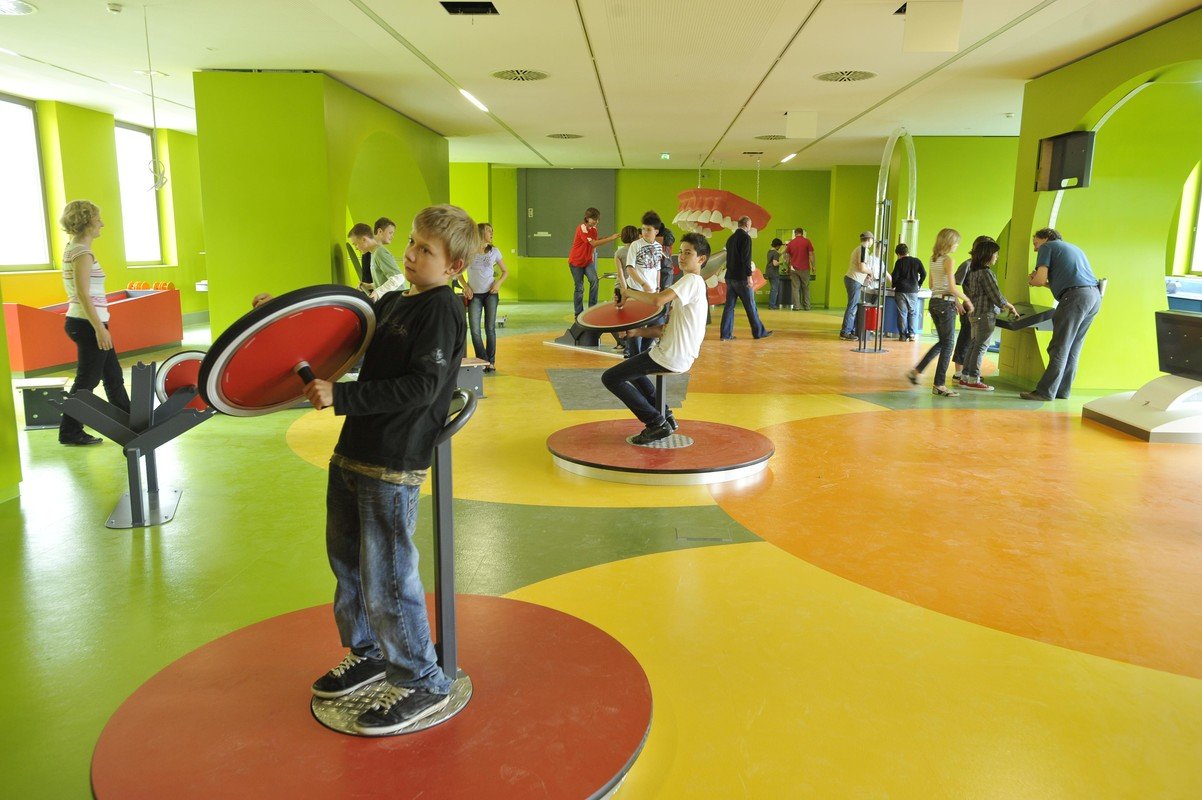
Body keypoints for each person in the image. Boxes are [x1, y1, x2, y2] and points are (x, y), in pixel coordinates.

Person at [270, 205, 476, 735]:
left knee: (387, 576)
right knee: (348, 564)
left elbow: (421, 388)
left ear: (453, 268)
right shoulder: (396, 301)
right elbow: (345, 339)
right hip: (354, 448)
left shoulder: (442, 310)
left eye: (425, 250)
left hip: (393, 459)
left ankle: (423, 679)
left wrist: (341, 396)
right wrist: (281, 320)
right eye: (411, 242)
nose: (409, 253)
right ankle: (369, 653)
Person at [602, 233, 711, 444]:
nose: (682, 256)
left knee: (610, 378)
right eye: (681, 251)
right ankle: (666, 416)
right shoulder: (692, 285)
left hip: (670, 356)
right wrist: (637, 333)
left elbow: (658, 300)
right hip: (674, 354)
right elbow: (665, 329)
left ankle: (655, 422)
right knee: (631, 369)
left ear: (701, 259)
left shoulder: (692, 280)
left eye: (689, 252)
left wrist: (629, 292)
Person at [57, 200, 131, 446]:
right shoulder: (82, 253)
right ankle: (69, 431)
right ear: (87, 222)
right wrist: (99, 327)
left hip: (88, 322)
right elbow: (82, 293)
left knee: (113, 376)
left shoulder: (75, 248)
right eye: (98, 219)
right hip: (88, 324)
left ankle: (131, 421)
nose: (102, 224)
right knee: (87, 380)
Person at [1020, 228, 1102, 401]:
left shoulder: (1047, 247)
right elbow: (1066, 281)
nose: (1035, 249)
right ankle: (1062, 391)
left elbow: (1039, 279)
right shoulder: (1073, 248)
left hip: (1075, 298)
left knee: (1059, 346)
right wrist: (1042, 283)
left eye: (1035, 243)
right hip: (1093, 296)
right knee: (1073, 347)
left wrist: (1032, 280)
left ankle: (1044, 392)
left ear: (1046, 238)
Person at [906, 228, 973, 396]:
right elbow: (951, 287)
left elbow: (931, 285)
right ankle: (939, 384)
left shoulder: (933, 259)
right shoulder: (948, 260)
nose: (957, 245)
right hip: (945, 305)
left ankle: (917, 371)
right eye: (956, 242)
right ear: (949, 242)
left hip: (935, 302)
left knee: (942, 342)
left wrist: (955, 301)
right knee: (949, 344)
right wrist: (967, 300)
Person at [959, 238, 1019, 391]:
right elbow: (995, 295)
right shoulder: (986, 273)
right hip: (985, 314)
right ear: (987, 255)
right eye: (995, 254)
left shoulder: (974, 271)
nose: (997, 257)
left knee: (973, 345)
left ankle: (965, 376)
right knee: (980, 347)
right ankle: (974, 379)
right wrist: (1009, 306)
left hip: (974, 313)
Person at [460, 221, 508, 373]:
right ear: (480, 233)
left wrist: (498, 283)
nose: (491, 233)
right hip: (474, 295)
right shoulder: (469, 251)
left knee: (490, 328)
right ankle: (483, 360)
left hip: (491, 294)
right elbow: (458, 272)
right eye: (488, 231)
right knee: (474, 330)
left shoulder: (495, 251)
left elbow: (505, 271)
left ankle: (491, 361)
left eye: (492, 231)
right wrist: (465, 287)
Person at [719, 216, 772, 340]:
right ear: (747, 224)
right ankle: (759, 332)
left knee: (729, 307)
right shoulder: (746, 238)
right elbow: (746, 259)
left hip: (730, 277)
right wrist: (749, 277)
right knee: (751, 306)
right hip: (741, 278)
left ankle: (725, 335)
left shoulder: (730, 238)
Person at [621, 212, 666, 358]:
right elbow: (629, 268)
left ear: (656, 231)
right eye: (643, 229)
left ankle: (643, 354)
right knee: (635, 327)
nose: (645, 232)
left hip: (652, 294)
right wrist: (643, 283)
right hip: (635, 291)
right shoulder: (635, 245)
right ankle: (634, 356)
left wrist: (657, 288)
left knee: (656, 324)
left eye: (648, 229)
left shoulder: (659, 247)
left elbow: (658, 269)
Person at [951, 235, 992, 380]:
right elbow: (953, 285)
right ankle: (959, 372)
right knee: (965, 339)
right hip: (970, 310)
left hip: (981, 310)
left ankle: (968, 371)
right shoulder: (967, 265)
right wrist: (957, 302)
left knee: (975, 342)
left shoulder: (984, 268)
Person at [568, 207, 619, 317]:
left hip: (587, 262)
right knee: (579, 288)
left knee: (594, 280)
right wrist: (611, 239)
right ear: (587, 218)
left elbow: (596, 240)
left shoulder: (594, 229)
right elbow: (593, 244)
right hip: (576, 262)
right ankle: (578, 313)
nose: (596, 221)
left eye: (597, 219)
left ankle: (592, 309)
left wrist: (610, 236)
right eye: (594, 219)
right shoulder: (582, 228)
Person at [840, 232, 877, 340]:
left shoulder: (858, 248)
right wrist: (871, 272)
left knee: (853, 305)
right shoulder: (864, 249)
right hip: (854, 279)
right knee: (853, 306)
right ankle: (845, 332)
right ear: (870, 239)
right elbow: (862, 268)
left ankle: (849, 330)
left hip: (852, 279)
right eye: (872, 240)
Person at [349, 222, 404, 295]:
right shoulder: (373, 254)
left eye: (355, 244)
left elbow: (398, 278)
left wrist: (377, 292)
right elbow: (383, 281)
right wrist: (369, 286)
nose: (356, 248)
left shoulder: (380, 253)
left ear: (364, 239)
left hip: (395, 300)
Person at [890, 243, 926, 341]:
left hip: (901, 290)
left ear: (898, 254)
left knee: (902, 313)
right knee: (913, 313)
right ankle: (912, 335)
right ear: (907, 251)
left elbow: (895, 276)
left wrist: (894, 285)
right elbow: (924, 273)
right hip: (913, 291)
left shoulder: (899, 262)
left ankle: (902, 335)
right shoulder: (916, 261)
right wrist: (919, 283)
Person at [785, 227, 816, 311]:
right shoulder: (807, 241)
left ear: (795, 233)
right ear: (802, 233)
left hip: (793, 268)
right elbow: (811, 255)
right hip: (805, 268)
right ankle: (807, 306)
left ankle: (796, 307)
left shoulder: (791, 243)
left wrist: (788, 267)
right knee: (805, 287)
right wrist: (813, 266)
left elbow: (787, 256)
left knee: (795, 288)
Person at [765, 238, 784, 309]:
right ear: (777, 246)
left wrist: (786, 249)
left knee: (773, 289)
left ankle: (771, 304)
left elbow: (778, 254)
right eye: (780, 246)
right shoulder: (775, 253)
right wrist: (781, 262)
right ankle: (772, 305)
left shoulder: (770, 251)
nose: (780, 248)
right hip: (774, 273)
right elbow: (775, 263)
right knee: (774, 290)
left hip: (768, 272)